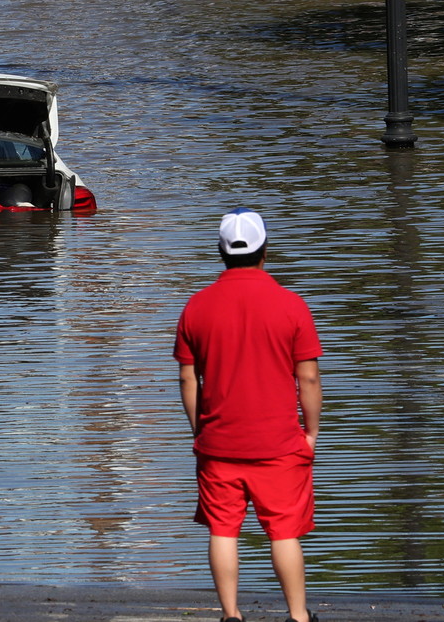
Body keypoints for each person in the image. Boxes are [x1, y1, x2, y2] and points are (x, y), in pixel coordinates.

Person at [172, 208, 322, 622]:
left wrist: (199, 429)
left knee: (223, 530)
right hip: (278, 442)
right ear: (264, 251)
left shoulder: (197, 307)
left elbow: (189, 379)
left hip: (219, 442)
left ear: (221, 252)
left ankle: (232, 615)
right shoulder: (292, 306)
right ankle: (297, 615)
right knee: (284, 533)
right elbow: (307, 378)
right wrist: (310, 432)